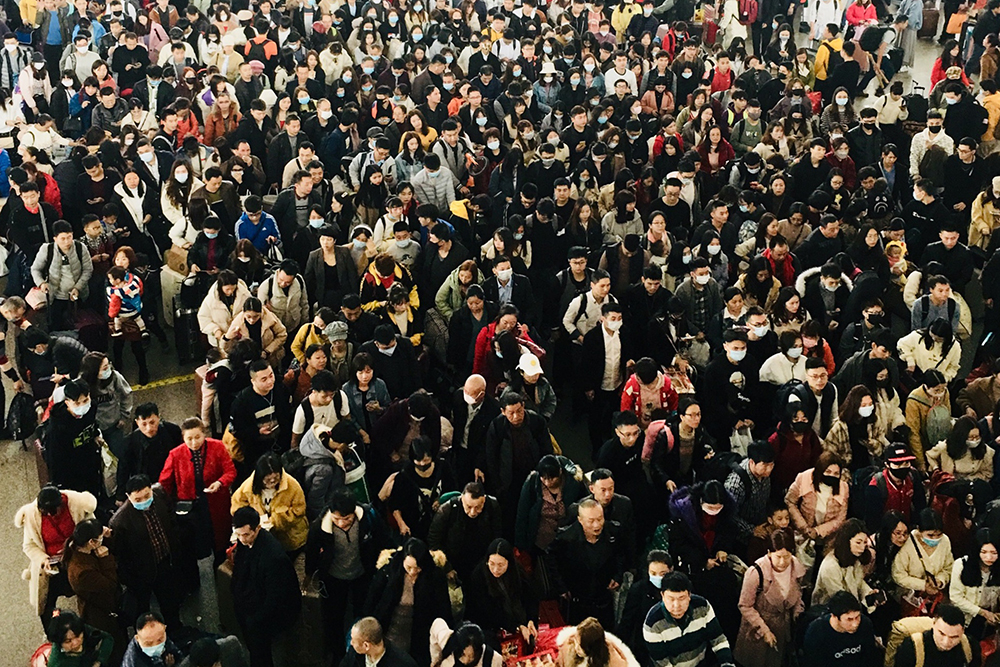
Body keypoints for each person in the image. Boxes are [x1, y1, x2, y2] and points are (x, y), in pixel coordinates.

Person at [15, 485, 97, 628]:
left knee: (89, 595)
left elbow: (93, 530)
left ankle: (88, 628)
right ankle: (53, 635)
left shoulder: (77, 504)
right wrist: (43, 559)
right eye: (44, 513)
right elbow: (29, 545)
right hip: (52, 566)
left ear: (62, 504)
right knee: (46, 604)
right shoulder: (31, 515)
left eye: (53, 512)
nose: (49, 516)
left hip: (76, 560)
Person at [363, 537, 453, 667]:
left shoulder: (434, 577)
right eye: (409, 567)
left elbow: (443, 608)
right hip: (389, 629)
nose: (412, 572)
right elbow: (372, 602)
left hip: (420, 633)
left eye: (417, 568)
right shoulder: (389, 572)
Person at [231, 506, 302, 667]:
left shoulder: (273, 556)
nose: (241, 539)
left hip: (268, 609)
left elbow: (275, 597)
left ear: (257, 529)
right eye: (238, 534)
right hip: (253, 596)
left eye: (246, 535)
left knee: (259, 649)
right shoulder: (246, 540)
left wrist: (256, 619)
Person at [109, 475, 183, 630]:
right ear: (128, 497)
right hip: (141, 573)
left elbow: (172, 522)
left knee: (170, 603)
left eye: (146, 496)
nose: (144, 501)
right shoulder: (120, 522)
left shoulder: (159, 496)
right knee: (142, 609)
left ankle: (175, 629)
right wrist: (131, 580)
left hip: (164, 563)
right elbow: (120, 556)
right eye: (138, 499)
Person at [734, 529, 807, 667]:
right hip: (757, 630)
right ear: (769, 553)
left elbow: (798, 594)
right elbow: (745, 605)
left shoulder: (796, 568)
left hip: (783, 629)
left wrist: (797, 613)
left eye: (786, 556)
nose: (782, 561)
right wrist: (764, 630)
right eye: (778, 556)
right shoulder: (756, 572)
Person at [643, 571, 735, 667]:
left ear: (689, 595)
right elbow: (661, 662)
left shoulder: (702, 607)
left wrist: (727, 663)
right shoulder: (653, 623)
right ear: (662, 595)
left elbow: (718, 639)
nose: (676, 605)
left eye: (682, 598)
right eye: (671, 598)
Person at [231, 452, 309, 553]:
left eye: (276, 478)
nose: (272, 482)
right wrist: (252, 521)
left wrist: (275, 521)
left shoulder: (292, 486)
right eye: (267, 480)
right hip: (260, 536)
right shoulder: (248, 486)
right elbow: (238, 505)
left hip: (289, 537)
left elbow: (299, 510)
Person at [427, 482, 502, 583]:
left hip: (482, 561)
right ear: (462, 498)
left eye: (478, 507)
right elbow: (433, 542)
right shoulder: (447, 510)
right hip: (454, 561)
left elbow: (497, 537)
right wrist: (447, 568)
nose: (473, 512)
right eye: (469, 507)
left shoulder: (492, 506)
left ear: (484, 500)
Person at [803, 591, 879, 667]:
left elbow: (870, 658)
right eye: (849, 619)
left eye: (857, 617)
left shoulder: (865, 624)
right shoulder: (817, 631)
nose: (855, 624)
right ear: (834, 617)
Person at [894, 604, 980, 667]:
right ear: (934, 624)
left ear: (962, 632)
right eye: (942, 633)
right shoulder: (911, 647)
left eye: (954, 637)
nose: (946, 642)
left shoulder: (970, 647)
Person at [45, 609, 115, 667]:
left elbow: (107, 638)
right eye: (68, 641)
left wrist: (99, 661)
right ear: (59, 643)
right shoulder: (57, 663)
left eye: (78, 636)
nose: (76, 643)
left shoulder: (82, 629)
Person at [341, 617, 419, 667]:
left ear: (366, 646)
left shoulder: (403, 663)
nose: (351, 643)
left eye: (353, 640)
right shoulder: (354, 653)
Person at [120, 611, 185, 667]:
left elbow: (179, 658)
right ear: (137, 638)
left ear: (164, 630)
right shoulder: (133, 661)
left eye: (159, 640)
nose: (155, 646)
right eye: (148, 643)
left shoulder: (158, 634)